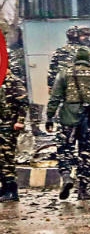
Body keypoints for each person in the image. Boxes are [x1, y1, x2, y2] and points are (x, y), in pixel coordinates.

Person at [45, 46, 90, 201]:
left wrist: (49, 117)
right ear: (89, 59)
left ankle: (66, 177)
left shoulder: (64, 74)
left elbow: (55, 97)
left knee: (64, 149)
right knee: (86, 154)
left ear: (75, 59)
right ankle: (83, 190)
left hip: (67, 118)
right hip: (88, 119)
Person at [0, 71, 29, 202]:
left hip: (9, 125)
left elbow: (24, 102)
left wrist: (20, 121)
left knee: (7, 158)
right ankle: (4, 187)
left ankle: (11, 190)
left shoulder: (13, 81)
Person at [47, 26, 82, 92]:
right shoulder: (86, 51)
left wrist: (50, 86)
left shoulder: (59, 51)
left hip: (63, 85)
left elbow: (52, 70)